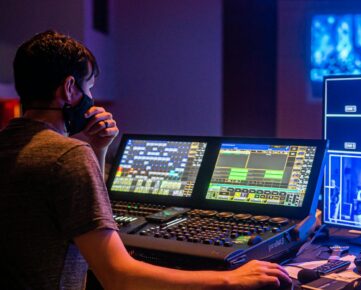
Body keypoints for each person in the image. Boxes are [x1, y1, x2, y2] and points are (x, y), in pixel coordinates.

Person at [0, 30, 291, 289]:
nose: (92, 97)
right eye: (89, 88)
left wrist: (98, 149)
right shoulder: (68, 156)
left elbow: (75, 215)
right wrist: (229, 279)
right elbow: (119, 277)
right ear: (69, 89)